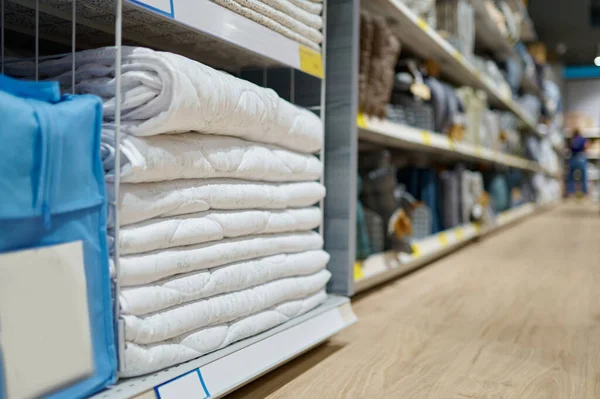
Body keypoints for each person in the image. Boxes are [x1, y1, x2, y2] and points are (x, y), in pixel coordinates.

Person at [567, 129, 589, 196]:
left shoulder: (572, 140)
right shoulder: (583, 139)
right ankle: (584, 192)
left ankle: (571, 192)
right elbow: (586, 147)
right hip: (581, 157)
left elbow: (569, 148)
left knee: (571, 176)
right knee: (584, 176)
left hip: (573, 157)